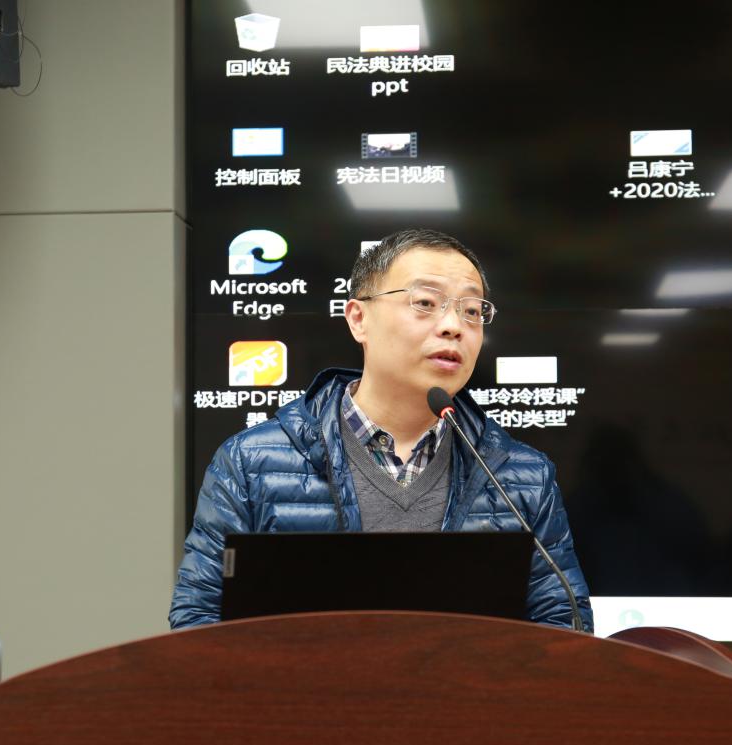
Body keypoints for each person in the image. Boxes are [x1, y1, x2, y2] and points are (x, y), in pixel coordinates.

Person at [169, 229, 592, 630]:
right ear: (358, 319)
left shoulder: (523, 476)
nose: (453, 326)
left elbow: (565, 625)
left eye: (472, 311)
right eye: (425, 302)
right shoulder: (251, 462)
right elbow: (199, 617)